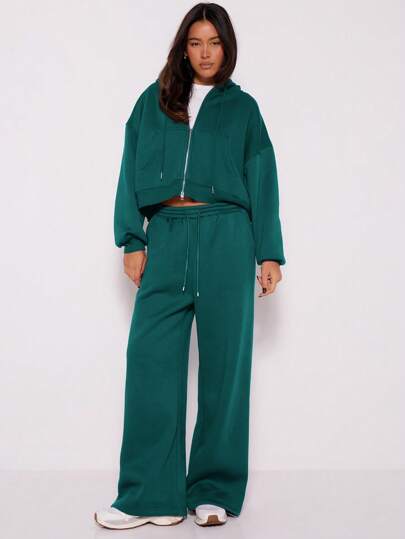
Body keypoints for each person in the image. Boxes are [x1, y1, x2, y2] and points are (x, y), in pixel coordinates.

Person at [95, 2, 286, 530]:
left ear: (227, 48)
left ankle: (213, 491)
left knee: (225, 368)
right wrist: (132, 237)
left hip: (228, 235)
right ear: (183, 48)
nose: (206, 53)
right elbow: (128, 168)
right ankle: (148, 496)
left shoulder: (243, 109)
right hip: (167, 234)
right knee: (150, 362)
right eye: (196, 43)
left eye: (215, 43)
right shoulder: (152, 101)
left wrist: (269, 251)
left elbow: (263, 177)